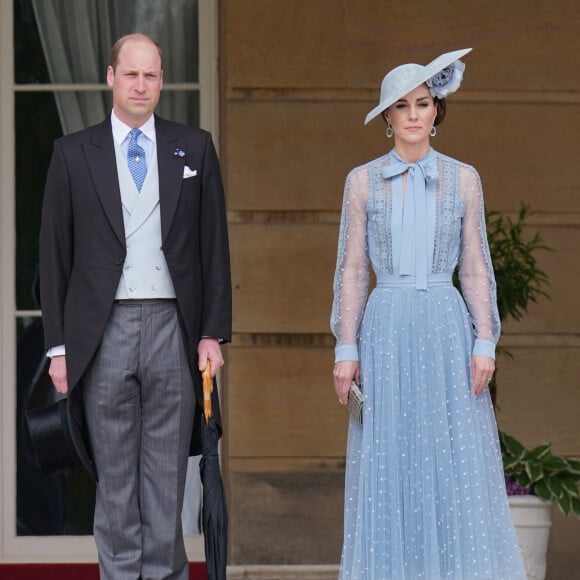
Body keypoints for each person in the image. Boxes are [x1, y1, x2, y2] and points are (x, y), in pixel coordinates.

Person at [39, 33, 231, 579]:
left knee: (166, 481)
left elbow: (213, 247)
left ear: (162, 81)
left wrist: (212, 333)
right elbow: (52, 257)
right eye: (131, 74)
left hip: (174, 325)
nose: (141, 85)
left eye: (151, 75)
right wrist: (59, 347)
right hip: (103, 332)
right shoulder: (72, 153)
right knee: (116, 483)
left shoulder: (192, 148)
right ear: (110, 77)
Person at [331, 49, 526, 579]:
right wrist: (345, 349)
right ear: (387, 117)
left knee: (452, 462)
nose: (414, 114)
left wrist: (485, 340)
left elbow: (476, 267)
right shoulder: (362, 182)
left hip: (445, 325)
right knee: (389, 461)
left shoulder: (464, 179)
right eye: (403, 106)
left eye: (424, 103)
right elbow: (351, 270)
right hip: (386, 326)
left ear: (436, 112)